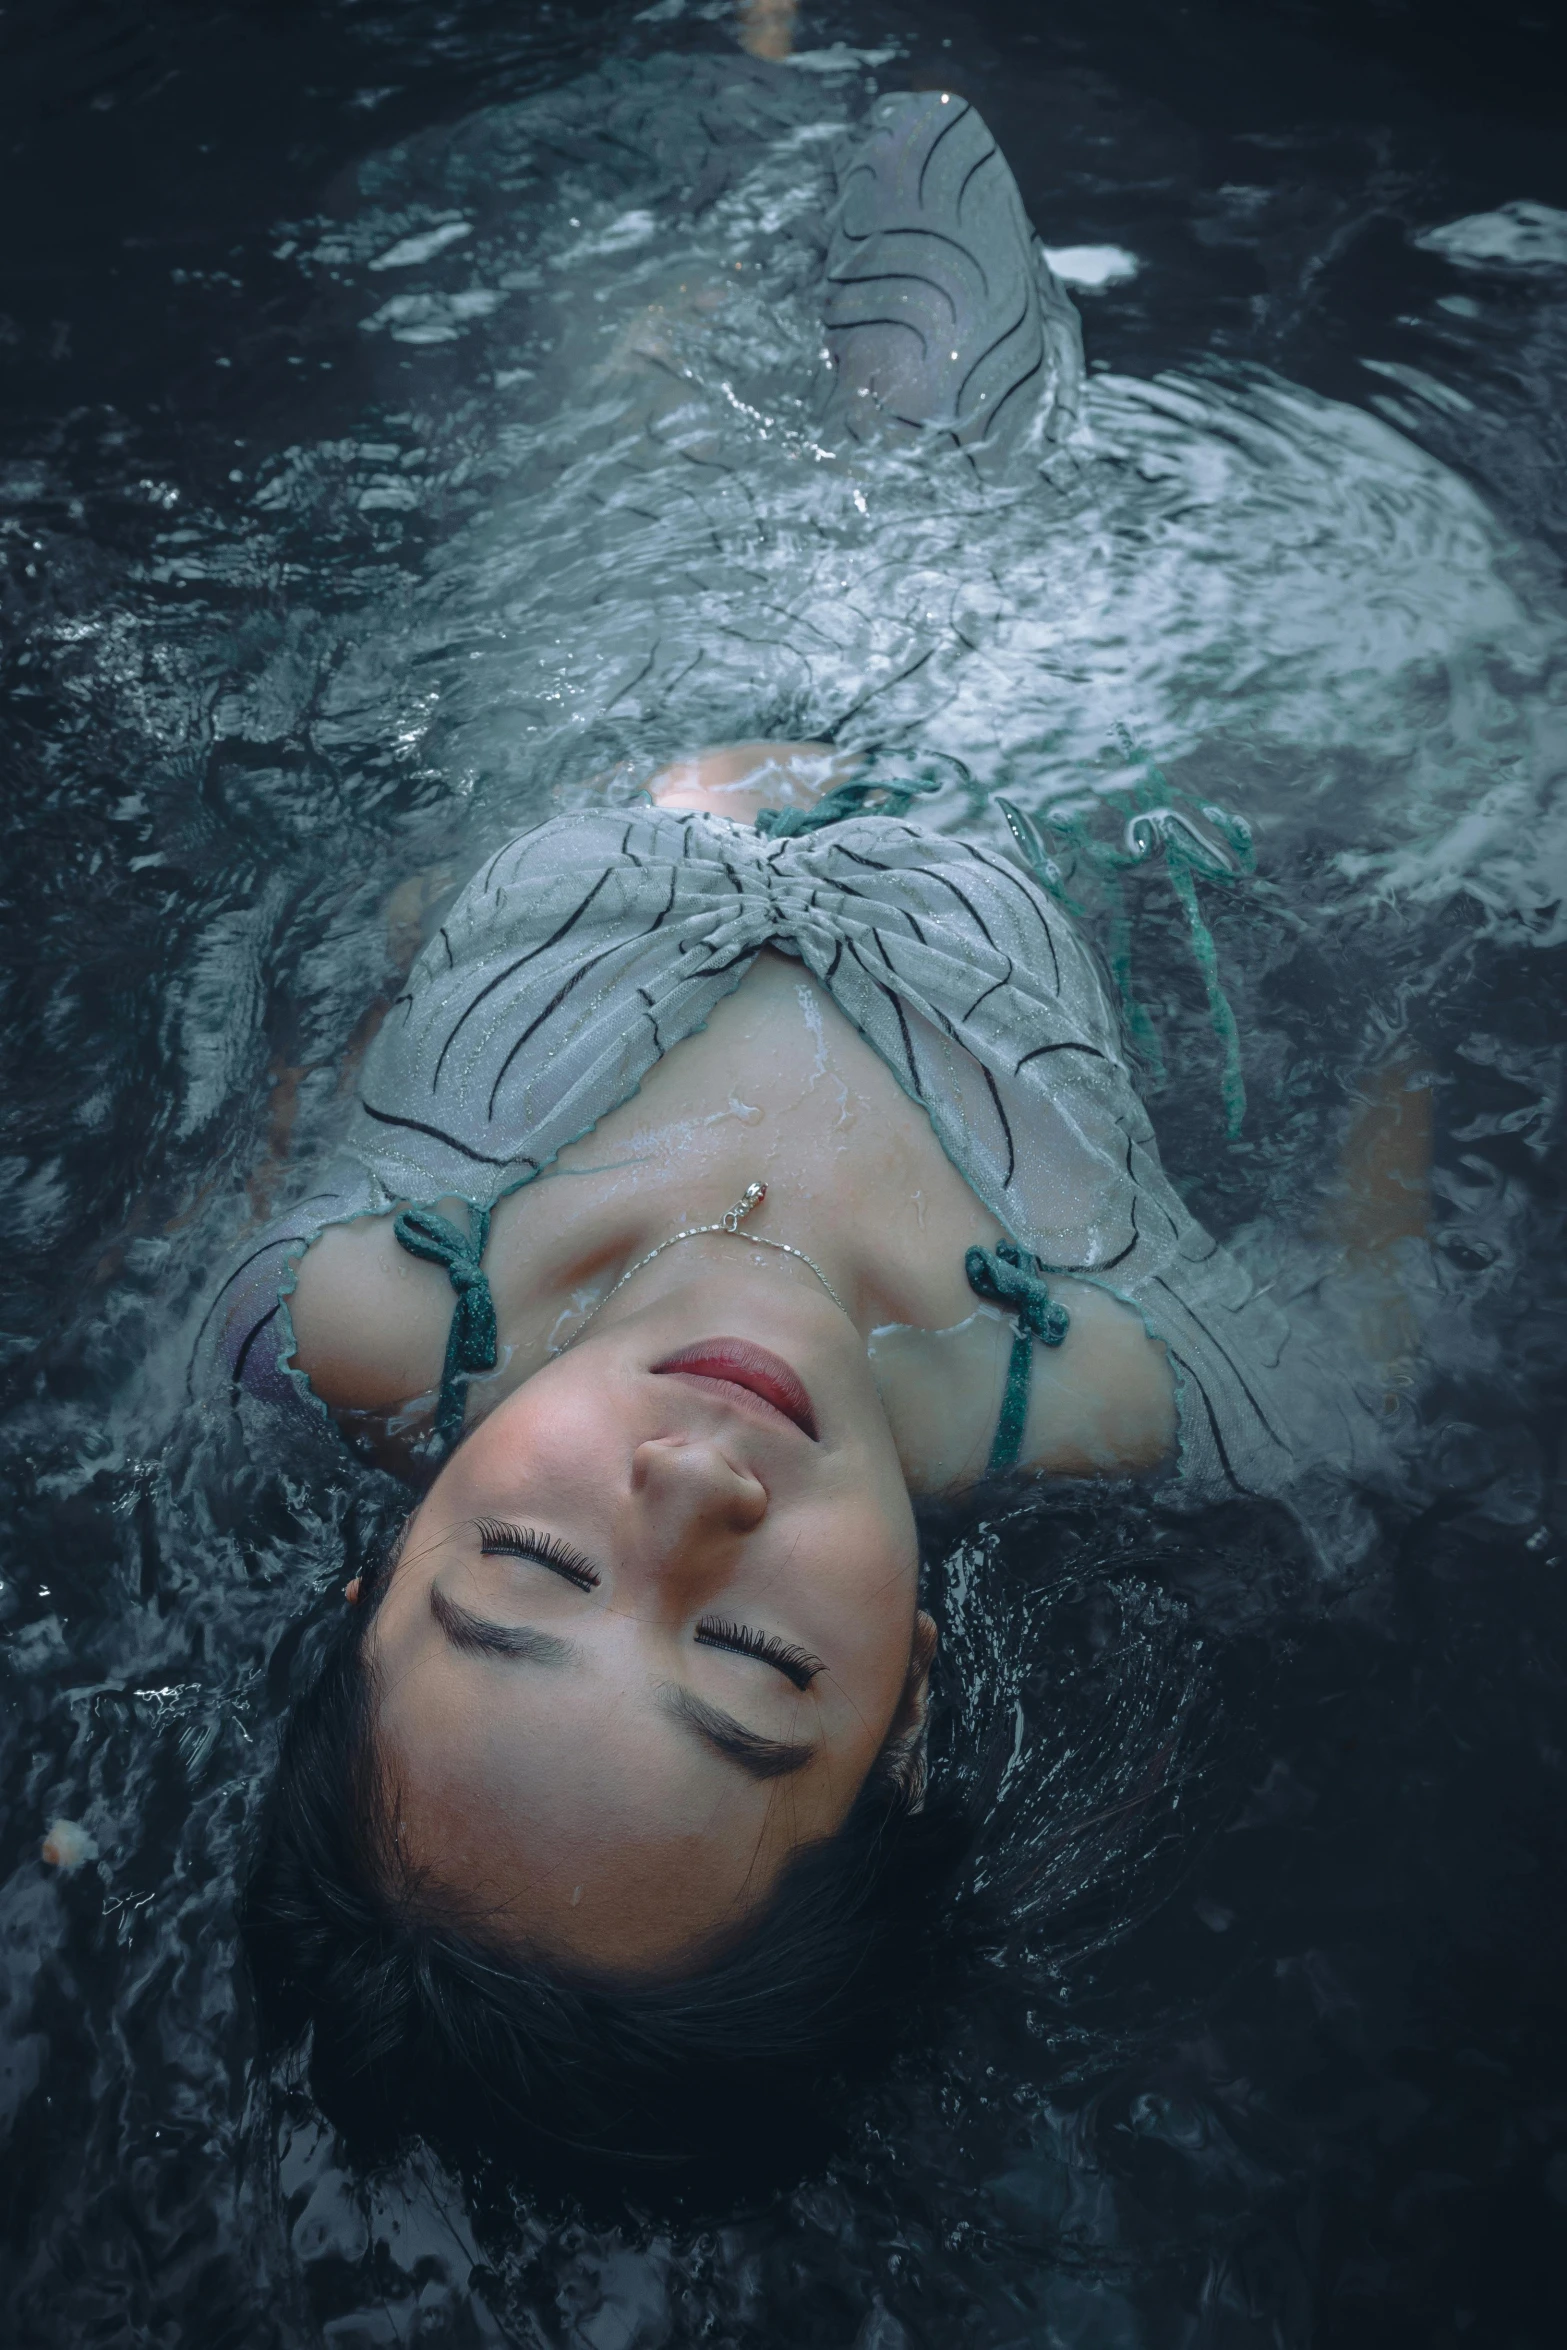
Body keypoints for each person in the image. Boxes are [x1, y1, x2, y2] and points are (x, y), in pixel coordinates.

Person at [222, 90, 1415, 2185]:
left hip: (581, 612)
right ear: (920, 1710)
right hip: (1007, 616)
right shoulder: (1132, 1375)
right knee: (925, 180)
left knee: (617, 228)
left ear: (370, 1561)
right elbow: (1385, 1329)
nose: (689, 1486)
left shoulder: (333, 1297)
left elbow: (318, 1000)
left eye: (526, 1563)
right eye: (757, 1656)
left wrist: (416, 929)